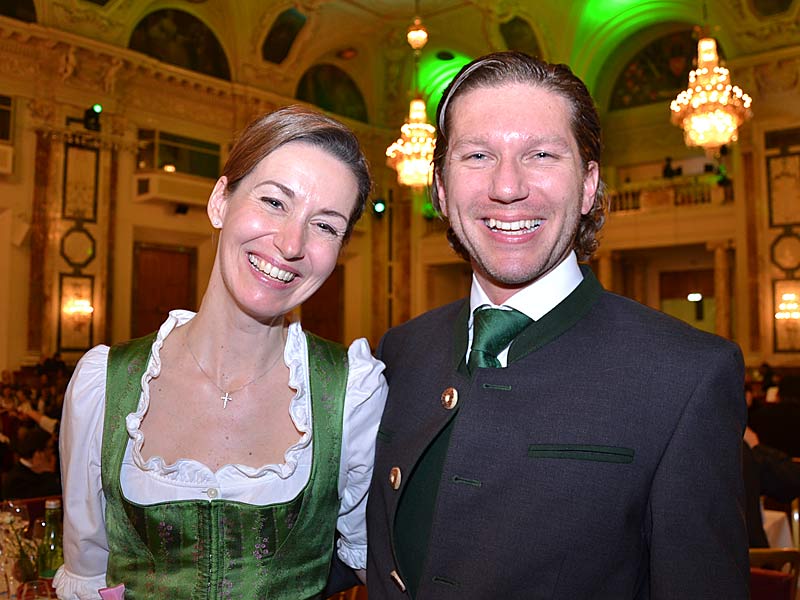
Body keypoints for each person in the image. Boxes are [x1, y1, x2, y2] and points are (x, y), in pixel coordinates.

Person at [366, 52, 748, 599]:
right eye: (477, 155)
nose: (507, 187)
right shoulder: (400, 352)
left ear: (588, 184)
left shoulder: (686, 375)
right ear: (442, 190)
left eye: (541, 154)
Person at [55, 106, 387, 599]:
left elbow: (375, 567)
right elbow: (86, 576)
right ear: (219, 202)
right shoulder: (104, 385)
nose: (290, 244)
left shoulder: (352, 396)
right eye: (274, 201)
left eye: (325, 226)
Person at [1, 425, 60, 500]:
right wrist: (48, 473)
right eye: (50, 448)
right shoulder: (17, 480)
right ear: (38, 453)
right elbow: (45, 498)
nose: (52, 452)